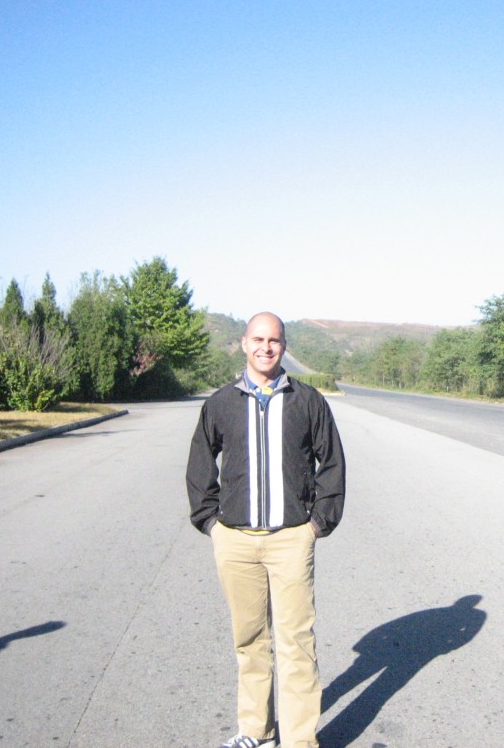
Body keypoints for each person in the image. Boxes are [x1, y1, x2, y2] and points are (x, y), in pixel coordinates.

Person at [187, 311, 346, 748]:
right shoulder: (220, 403)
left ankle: (298, 740)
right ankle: (255, 731)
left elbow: (331, 462)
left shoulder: (309, 401)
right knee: (250, 641)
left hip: (291, 539)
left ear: (284, 346)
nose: (266, 347)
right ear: (243, 343)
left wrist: (317, 523)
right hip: (235, 541)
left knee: (295, 643)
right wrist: (210, 522)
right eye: (258, 339)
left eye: (274, 340)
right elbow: (201, 463)